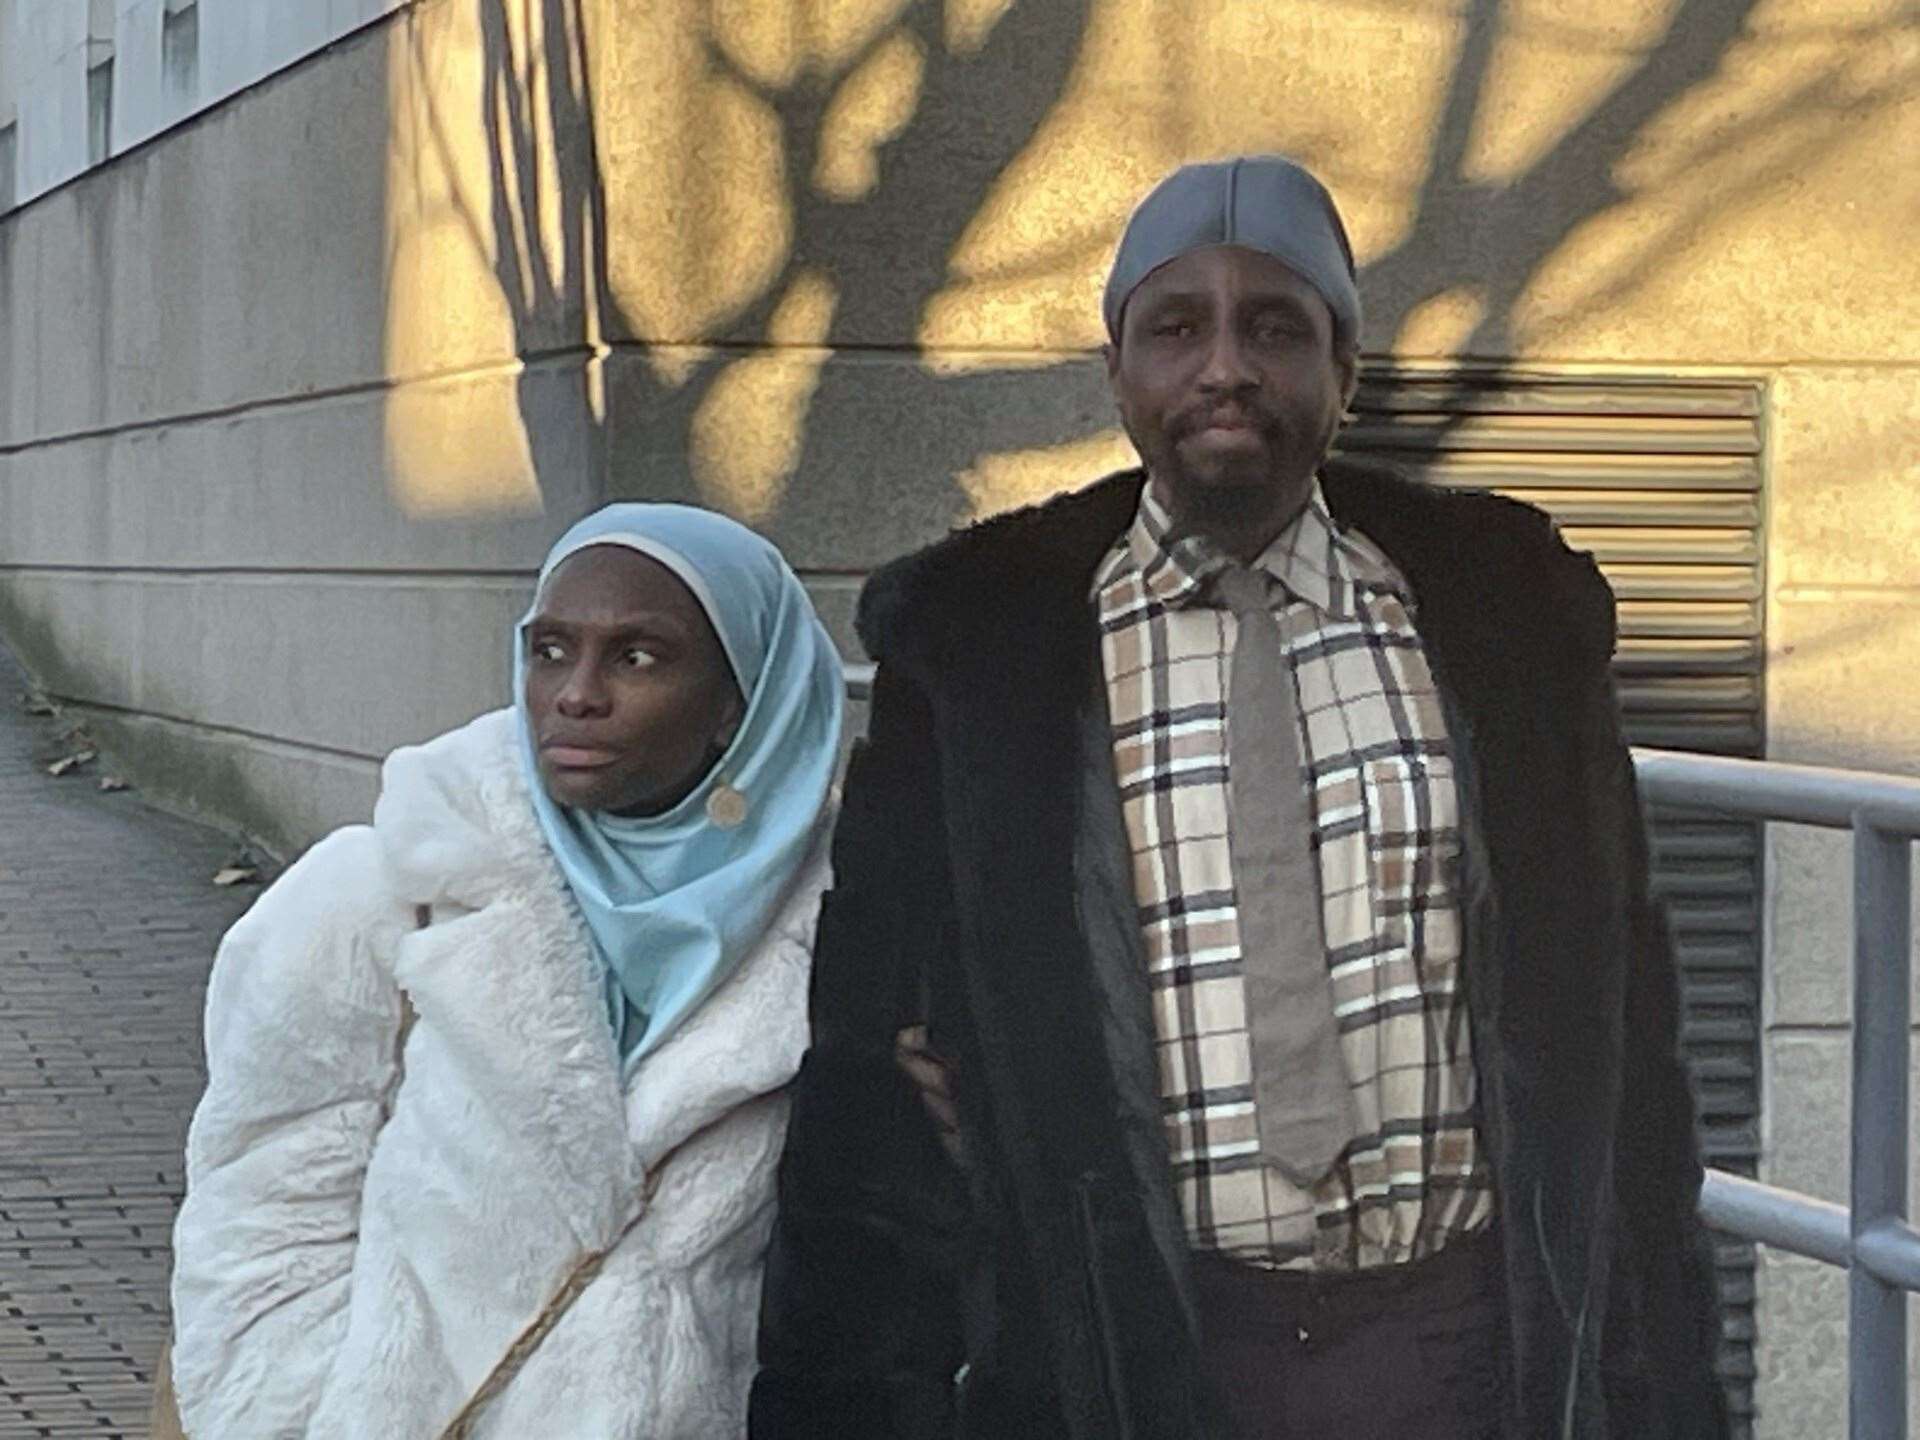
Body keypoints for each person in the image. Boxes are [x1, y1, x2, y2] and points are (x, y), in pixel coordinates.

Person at [749, 157, 1727, 1440]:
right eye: (1176, 328)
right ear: (1118, 372)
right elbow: (872, 1107)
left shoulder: (1503, 629)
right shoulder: (984, 660)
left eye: (1275, 327)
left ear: (1344, 371)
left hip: (1463, 1343)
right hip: (1144, 1357)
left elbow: (1625, 1045)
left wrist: (1675, 1392)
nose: (1225, 367)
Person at [167, 504, 844, 1438]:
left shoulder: (839, 926)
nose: (576, 694)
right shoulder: (385, 890)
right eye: (551, 651)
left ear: (740, 703)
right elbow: (261, 1204)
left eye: (637, 657)